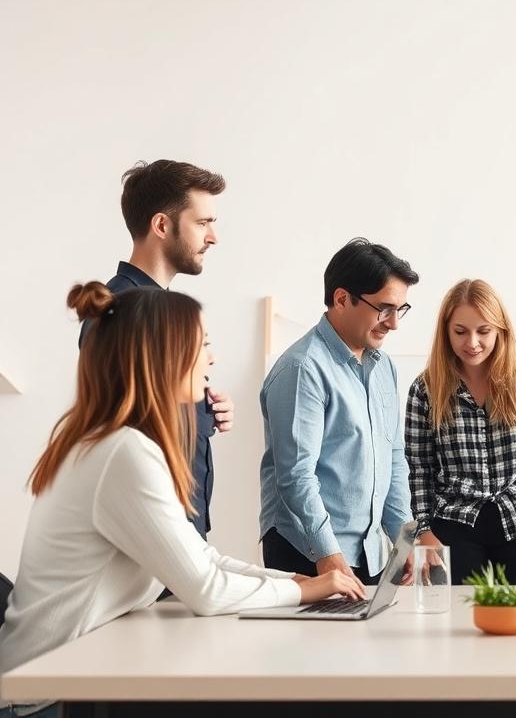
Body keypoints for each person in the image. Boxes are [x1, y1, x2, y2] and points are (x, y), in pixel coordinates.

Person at [0, 283, 362, 718]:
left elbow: (200, 559)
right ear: (165, 356)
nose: (212, 358)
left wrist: (295, 583)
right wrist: (301, 592)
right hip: (42, 698)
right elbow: (206, 590)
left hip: (62, 679)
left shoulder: (111, 442)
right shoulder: (122, 453)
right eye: (203, 344)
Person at [79, 159, 235, 539]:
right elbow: (123, 430)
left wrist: (203, 412)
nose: (213, 237)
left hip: (174, 534)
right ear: (162, 225)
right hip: (154, 537)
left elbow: (153, 411)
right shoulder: (126, 310)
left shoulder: (157, 309)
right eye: (202, 223)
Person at [259, 238, 419, 588]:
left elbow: (393, 457)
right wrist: (327, 554)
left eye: (400, 310)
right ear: (342, 299)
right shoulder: (302, 369)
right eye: (384, 308)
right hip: (308, 552)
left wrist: (405, 540)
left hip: (367, 553)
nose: (393, 324)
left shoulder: (384, 368)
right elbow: (296, 476)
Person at [406, 279, 516, 585]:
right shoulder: (425, 389)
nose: (472, 343)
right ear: (445, 332)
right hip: (454, 523)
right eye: (460, 331)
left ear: (500, 330)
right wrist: (424, 531)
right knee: (457, 624)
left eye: (483, 331)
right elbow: (420, 469)